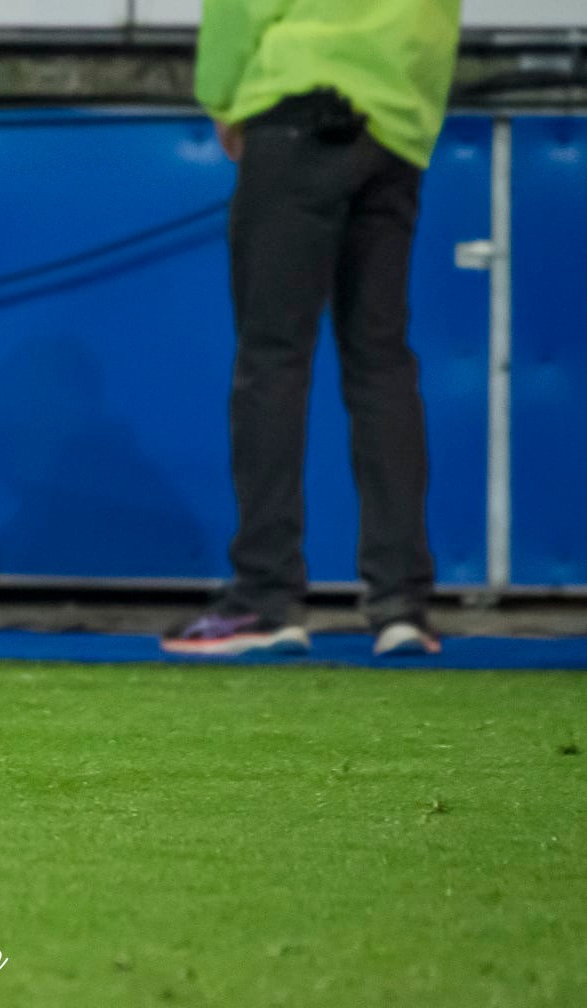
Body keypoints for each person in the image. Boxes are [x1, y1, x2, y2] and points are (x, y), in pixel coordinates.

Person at [162, 0, 461, 658]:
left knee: (271, 359)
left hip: (294, 111)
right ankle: (401, 605)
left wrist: (224, 98)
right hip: (395, 126)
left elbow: (237, 10)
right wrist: (408, 117)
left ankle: (265, 600)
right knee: (381, 362)